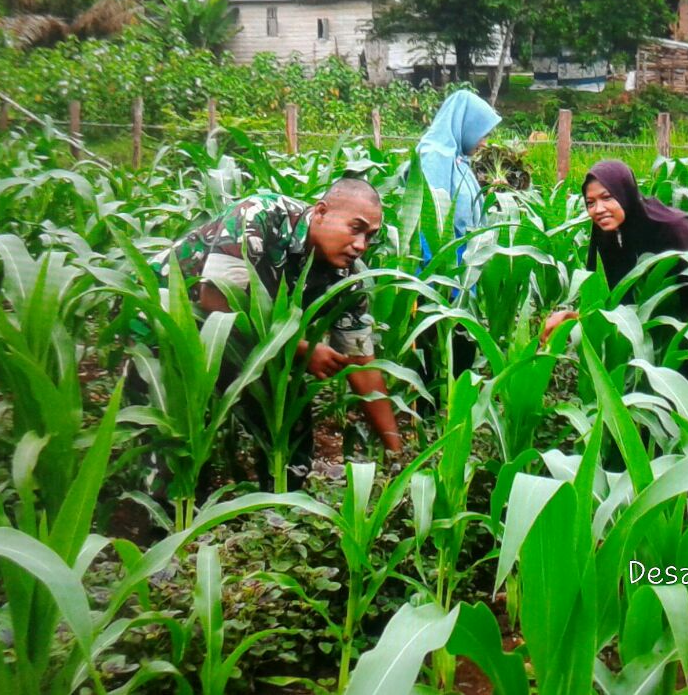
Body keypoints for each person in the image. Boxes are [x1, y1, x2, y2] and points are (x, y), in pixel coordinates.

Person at [542, 160, 688, 558]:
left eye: (606, 198)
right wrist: (574, 315)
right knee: (683, 421)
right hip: (679, 337)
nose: (598, 208)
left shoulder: (673, 228)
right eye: (589, 202)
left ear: (626, 193)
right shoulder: (606, 235)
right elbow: (611, 295)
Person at [148, 178, 403, 489]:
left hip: (249, 342)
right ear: (321, 212)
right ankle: (169, 518)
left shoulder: (348, 276)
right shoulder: (260, 216)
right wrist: (301, 350)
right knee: (172, 441)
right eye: (355, 228)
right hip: (163, 319)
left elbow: (362, 362)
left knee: (286, 413)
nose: (361, 245)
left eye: (370, 236)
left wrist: (397, 453)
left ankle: (282, 503)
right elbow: (215, 303)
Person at [413, 90, 502, 386]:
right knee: (437, 350)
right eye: (482, 134)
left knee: (460, 350)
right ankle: (433, 416)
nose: (484, 142)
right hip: (441, 274)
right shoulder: (434, 157)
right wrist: (436, 275)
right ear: (466, 125)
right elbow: (430, 219)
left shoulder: (457, 159)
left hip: (463, 272)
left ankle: (452, 409)